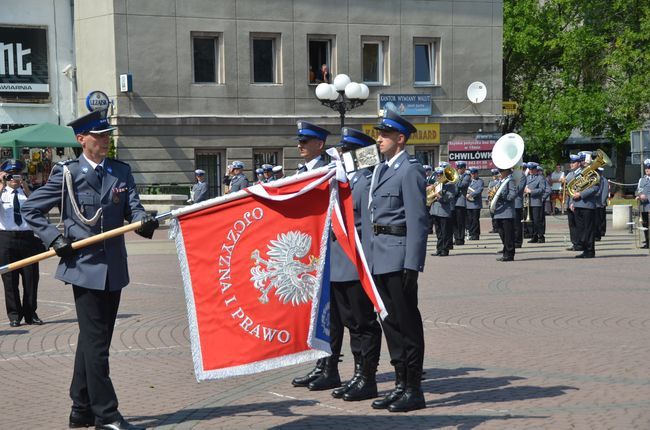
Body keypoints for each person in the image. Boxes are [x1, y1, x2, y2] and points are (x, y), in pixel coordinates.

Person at [21, 108, 158, 430]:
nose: (106, 140)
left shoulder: (120, 171)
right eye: (100, 136)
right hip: (84, 267)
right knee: (97, 346)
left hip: (114, 268)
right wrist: (54, 238)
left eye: (108, 135)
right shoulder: (67, 173)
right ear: (82, 140)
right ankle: (106, 415)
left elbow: (133, 207)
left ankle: (80, 408)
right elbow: (32, 209)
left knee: (93, 342)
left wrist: (143, 220)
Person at [310, 128, 383, 402]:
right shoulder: (343, 181)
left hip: (354, 263)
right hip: (338, 264)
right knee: (351, 323)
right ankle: (357, 375)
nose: (342, 155)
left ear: (359, 154)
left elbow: (365, 227)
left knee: (363, 323)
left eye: (348, 150)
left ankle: (368, 378)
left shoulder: (364, 182)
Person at [368, 110, 428, 412]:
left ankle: (414, 389)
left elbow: (418, 219)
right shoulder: (382, 170)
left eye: (385, 135)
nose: (379, 138)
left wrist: (412, 265)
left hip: (399, 256)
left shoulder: (409, 170)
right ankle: (400, 384)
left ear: (400, 139)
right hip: (380, 255)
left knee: (407, 324)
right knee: (390, 324)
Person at [0, 159, 45, 327]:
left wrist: (25, 187)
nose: (14, 179)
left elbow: (39, 207)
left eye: (17, 175)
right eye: (10, 175)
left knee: (31, 278)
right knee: (9, 280)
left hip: (28, 238)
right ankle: (14, 315)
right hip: (6, 238)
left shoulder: (27, 192)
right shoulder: (2, 192)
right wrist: (1, 184)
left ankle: (30, 313)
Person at [570, 152, 600, 258]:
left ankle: (590, 251)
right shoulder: (581, 173)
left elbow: (595, 188)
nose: (583, 163)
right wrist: (573, 202)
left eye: (584, 160)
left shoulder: (593, 173)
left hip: (587, 205)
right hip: (578, 205)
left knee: (588, 229)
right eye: (582, 161)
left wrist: (581, 195)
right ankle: (585, 249)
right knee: (581, 229)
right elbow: (575, 187)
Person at [429, 167, 455, 257]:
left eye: (440, 174)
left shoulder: (450, 186)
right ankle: (439, 249)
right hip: (435, 211)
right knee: (438, 232)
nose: (438, 176)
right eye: (437, 174)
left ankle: (445, 249)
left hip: (444, 212)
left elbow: (448, 198)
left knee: (445, 232)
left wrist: (438, 195)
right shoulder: (435, 185)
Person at [493, 168, 517, 261]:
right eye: (499, 171)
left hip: (507, 211)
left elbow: (512, 195)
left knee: (508, 234)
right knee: (501, 233)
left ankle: (509, 254)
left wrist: (501, 196)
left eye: (501, 171)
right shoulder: (499, 182)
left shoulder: (510, 181)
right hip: (498, 211)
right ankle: (505, 251)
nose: (500, 173)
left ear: (506, 171)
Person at [524, 163, 546, 243]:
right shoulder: (527, 178)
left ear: (535, 170)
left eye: (531, 169)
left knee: (537, 220)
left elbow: (542, 189)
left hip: (536, 202)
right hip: (528, 202)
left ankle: (541, 236)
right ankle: (534, 236)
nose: (530, 171)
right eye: (529, 169)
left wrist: (531, 191)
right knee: (531, 221)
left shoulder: (540, 178)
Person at [564, 154, 582, 251]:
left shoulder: (581, 173)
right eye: (570, 163)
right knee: (572, 225)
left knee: (578, 224)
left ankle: (580, 243)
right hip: (569, 201)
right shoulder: (570, 174)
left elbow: (577, 189)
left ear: (579, 163)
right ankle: (575, 243)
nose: (571, 164)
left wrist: (573, 202)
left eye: (573, 162)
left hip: (576, 202)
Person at [453, 161, 470, 245]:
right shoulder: (456, 176)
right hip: (453, 202)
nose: (458, 170)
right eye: (458, 168)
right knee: (454, 222)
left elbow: (462, 185)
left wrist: (454, 181)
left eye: (460, 168)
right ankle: (456, 238)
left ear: (464, 168)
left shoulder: (466, 176)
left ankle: (461, 239)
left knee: (460, 222)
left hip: (460, 202)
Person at [465, 167, 483, 240]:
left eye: (474, 174)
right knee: (470, 220)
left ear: (476, 174)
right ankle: (472, 233)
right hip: (468, 204)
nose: (472, 175)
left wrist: (471, 195)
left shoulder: (480, 181)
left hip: (476, 204)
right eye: (471, 174)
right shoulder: (468, 181)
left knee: (475, 220)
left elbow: (479, 190)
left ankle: (475, 235)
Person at [636, 159, 650, 248]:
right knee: (645, 224)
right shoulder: (641, 179)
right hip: (644, 206)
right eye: (646, 169)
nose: (647, 170)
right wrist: (638, 195)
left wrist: (647, 197)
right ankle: (647, 241)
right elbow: (638, 190)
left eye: (649, 168)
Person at [487, 168, 500, 234]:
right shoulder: (490, 182)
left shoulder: (499, 182)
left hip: (497, 200)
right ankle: (494, 228)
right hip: (491, 200)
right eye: (493, 175)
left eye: (495, 174)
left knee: (497, 214)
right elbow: (488, 191)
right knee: (492, 215)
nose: (494, 176)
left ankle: (498, 227)